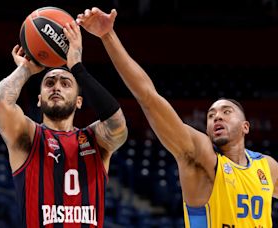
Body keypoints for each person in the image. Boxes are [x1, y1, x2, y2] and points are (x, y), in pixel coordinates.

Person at [77, 7, 278, 228]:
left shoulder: (266, 167)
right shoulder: (203, 156)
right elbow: (148, 97)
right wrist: (108, 36)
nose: (217, 117)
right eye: (211, 115)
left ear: (246, 127)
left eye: (226, 112)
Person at [0, 21, 128, 227]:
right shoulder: (29, 136)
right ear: (39, 99)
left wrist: (77, 68)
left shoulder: (95, 140)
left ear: (79, 102)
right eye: (49, 83)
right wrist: (25, 69)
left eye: (65, 83)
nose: (56, 87)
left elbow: (118, 124)